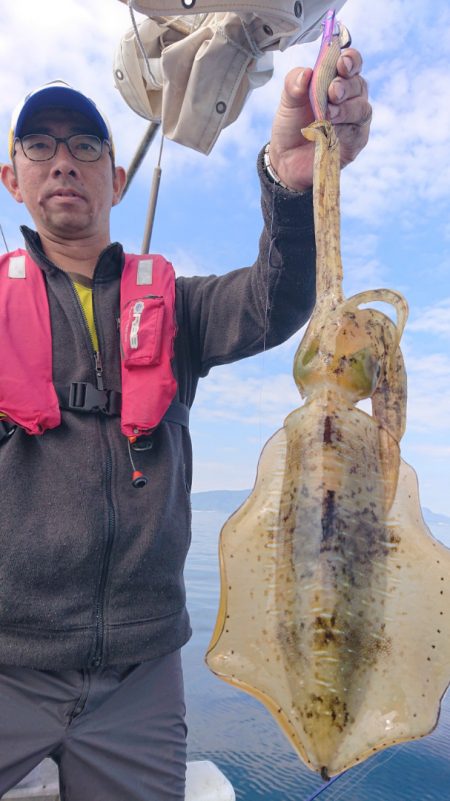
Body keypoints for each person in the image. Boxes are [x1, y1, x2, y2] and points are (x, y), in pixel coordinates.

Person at [0, 47, 371, 801]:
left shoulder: (181, 309)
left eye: (85, 145)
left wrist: (291, 187)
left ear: (118, 177)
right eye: (39, 145)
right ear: (13, 178)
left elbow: (278, 297)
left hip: (141, 674)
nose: (62, 161)